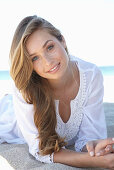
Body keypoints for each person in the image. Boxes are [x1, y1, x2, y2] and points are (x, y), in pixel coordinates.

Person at [0, 15, 114, 169]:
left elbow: (89, 137)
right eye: (34, 58)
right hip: (9, 119)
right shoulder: (26, 88)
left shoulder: (92, 75)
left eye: (49, 47)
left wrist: (95, 147)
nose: (48, 61)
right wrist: (93, 161)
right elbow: (42, 150)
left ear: (62, 40)